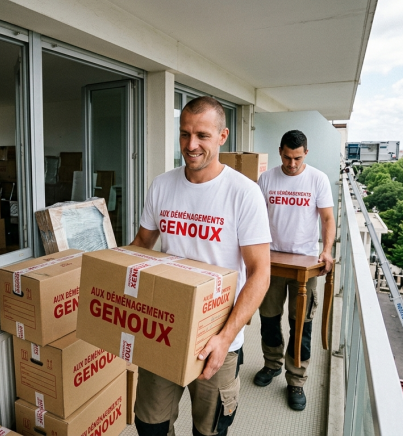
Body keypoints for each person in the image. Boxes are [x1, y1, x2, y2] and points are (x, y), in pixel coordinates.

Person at [131, 96, 272, 436]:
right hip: (163, 328)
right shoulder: (162, 185)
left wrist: (225, 338)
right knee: (149, 425)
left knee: (209, 430)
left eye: (202, 135)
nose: (191, 145)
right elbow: (140, 247)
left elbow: (260, 273)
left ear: (223, 136)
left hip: (216, 338)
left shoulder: (244, 193)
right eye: (185, 134)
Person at [254, 130, 335, 411]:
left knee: (301, 324)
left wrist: (327, 250)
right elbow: (255, 217)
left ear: (306, 154)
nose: (291, 164)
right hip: (272, 261)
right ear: (280, 151)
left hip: (305, 264)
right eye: (287, 157)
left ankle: (296, 378)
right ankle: (272, 363)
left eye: (297, 158)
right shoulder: (266, 179)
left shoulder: (318, 179)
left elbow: (327, 219)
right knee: (268, 318)